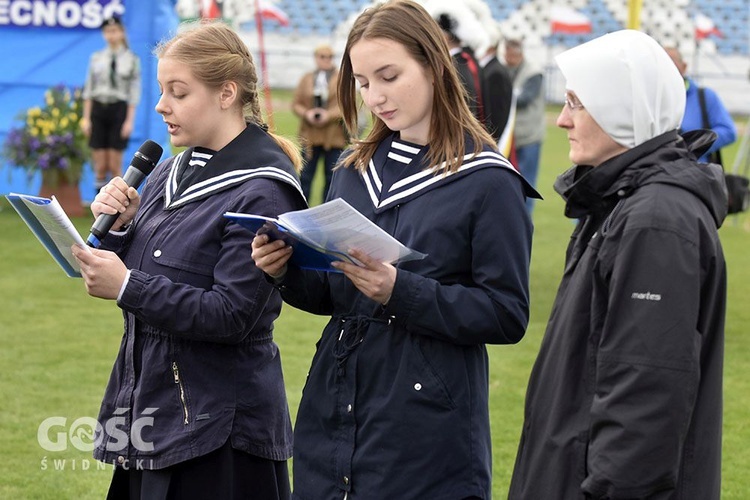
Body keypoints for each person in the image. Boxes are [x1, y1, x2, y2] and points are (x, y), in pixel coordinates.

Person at [251, 1, 539, 498]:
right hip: (334, 403)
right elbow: (332, 294)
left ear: (432, 63)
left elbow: (506, 313)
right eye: (363, 82)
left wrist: (399, 290)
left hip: (427, 422)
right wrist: (284, 270)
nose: (375, 96)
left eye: (388, 75)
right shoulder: (351, 169)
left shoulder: (489, 180)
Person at [71, 21, 307, 500]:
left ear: (226, 93)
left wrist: (125, 285)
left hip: (219, 433)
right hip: (151, 410)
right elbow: (154, 267)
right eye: (161, 90)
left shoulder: (263, 190)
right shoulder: (171, 169)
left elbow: (233, 314)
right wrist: (120, 230)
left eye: (177, 92)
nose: (161, 105)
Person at [509, 30, 727, 499]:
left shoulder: (654, 221)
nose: (562, 120)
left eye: (576, 103)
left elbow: (645, 393)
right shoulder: (620, 203)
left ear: (620, 110)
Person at [81, 15, 142, 195]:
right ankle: (98, 206)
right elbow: (89, 90)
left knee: (115, 165)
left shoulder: (131, 59)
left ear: (122, 32)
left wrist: (129, 121)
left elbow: (134, 93)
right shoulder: (96, 58)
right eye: (107, 31)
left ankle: (116, 208)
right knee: (100, 164)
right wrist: (86, 118)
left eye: (114, 31)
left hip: (119, 110)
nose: (111, 35)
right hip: (99, 109)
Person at [292, 44, 348, 203]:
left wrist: (328, 115)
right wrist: (307, 113)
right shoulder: (307, 78)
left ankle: (327, 214)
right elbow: (296, 103)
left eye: (329, 57)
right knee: (305, 176)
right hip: (310, 136)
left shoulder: (341, 78)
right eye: (322, 57)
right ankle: (300, 210)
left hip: (334, 136)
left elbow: (346, 106)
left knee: (332, 179)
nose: (326, 60)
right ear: (316, 58)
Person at [664, 45, 737, 163]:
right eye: (663, 62)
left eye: (672, 61)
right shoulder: (649, 99)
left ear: (684, 66)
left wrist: (695, 145)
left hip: (697, 174)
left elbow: (729, 131)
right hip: (659, 174)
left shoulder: (705, 96)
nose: (668, 67)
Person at [504, 38, 545, 213]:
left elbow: (524, 99)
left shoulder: (534, 72)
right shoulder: (504, 69)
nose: (509, 57)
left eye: (513, 53)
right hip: (510, 138)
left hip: (529, 136)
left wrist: (503, 93)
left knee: (528, 185)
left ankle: (525, 225)